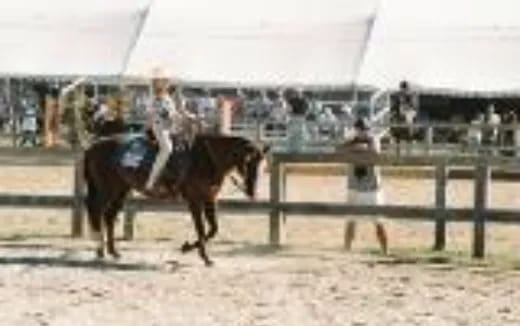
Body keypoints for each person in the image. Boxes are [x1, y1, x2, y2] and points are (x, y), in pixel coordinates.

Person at [339, 117, 388, 254]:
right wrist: (355, 146)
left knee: (378, 220)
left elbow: (374, 152)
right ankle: (347, 247)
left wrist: (358, 148)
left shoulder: (373, 140)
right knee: (350, 220)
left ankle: (385, 250)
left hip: (371, 187)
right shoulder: (351, 141)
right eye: (360, 129)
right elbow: (339, 150)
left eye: (365, 129)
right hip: (354, 185)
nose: (362, 132)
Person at [145, 66, 195, 193]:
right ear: (157, 82)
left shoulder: (167, 96)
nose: (167, 82)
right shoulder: (156, 97)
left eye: (166, 80)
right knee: (167, 148)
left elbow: (175, 112)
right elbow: (165, 114)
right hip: (160, 128)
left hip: (170, 127)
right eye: (163, 80)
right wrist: (182, 117)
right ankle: (151, 181)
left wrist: (188, 116)